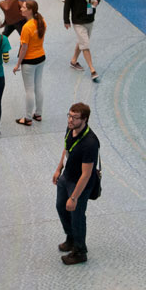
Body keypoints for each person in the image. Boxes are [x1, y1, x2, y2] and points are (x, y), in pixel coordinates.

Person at [53, 103, 100, 265]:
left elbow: (86, 175)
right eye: (69, 116)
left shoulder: (90, 143)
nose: (70, 120)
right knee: (60, 207)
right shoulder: (70, 129)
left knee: (77, 216)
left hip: (80, 184)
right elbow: (67, 148)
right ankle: (71, 238)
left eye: (75, 117)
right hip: (66, 177)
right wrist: (59, 168)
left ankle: (80, 251)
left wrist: (73, 197)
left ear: (85, 119)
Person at [64, 0, 102, 80]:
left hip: (90, 19)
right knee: (85, 45)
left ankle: (74, 61)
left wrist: (96, 3)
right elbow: (68, 4)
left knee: (82, 42)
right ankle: (92, 70)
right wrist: (66, 20)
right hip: (78, 20)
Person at [13, 1, 47, 126]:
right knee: (38, 86)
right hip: (41, 57)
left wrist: (18, 64)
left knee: (29, 90)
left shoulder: (26, 27)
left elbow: (24, 48)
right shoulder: (42, 22)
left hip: (29, 61)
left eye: (24, 7)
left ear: (30, 10)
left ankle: (27, 118)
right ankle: (38, 114)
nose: (21, 9)